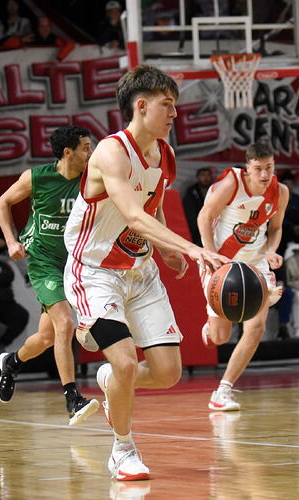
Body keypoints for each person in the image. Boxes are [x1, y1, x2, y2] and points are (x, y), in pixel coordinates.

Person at [63, 65, 226, 480]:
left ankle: (110, 378)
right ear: (141, 105)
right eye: (167, 105)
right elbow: (133, 215)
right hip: (95, 272)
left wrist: (165, 249)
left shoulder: (164, 155)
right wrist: (191, 250)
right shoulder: (111, 152)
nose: (175, 113)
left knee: (169, 374)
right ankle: (123, 449)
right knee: (126, 362)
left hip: (140, 270)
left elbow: (150, 210)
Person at [0, 125, 99, 427]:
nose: (90, 153)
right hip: (43, 260)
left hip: (75, 262)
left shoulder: (92, 179)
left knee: (46, 336)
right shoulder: (37, 177)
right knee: (66, 324)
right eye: (85, 148)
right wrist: (12, 241)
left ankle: (12, 363)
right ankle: (72, 397)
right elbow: (3, 203)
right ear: (68, 153)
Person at [197, 140, 289, 411]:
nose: (264, 175)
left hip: (256, 264)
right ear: (247, 168)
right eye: (258, 169)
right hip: (224, 262)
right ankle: (211, 324)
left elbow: (276, 228)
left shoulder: (280, 191)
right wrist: (212, 257)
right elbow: (204, 217)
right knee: (221, 338)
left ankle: (222, 391)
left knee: (256, 327)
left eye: (269, 168)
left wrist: (272, 251)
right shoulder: (232, 183)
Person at [182, 167, 213, 245]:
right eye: (203, 175)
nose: (205, 178)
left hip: (211, 222)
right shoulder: (191, 191)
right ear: (198, 177)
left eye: (207, 175)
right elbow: (188, 210)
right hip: (195, 225)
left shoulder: (214, 190)